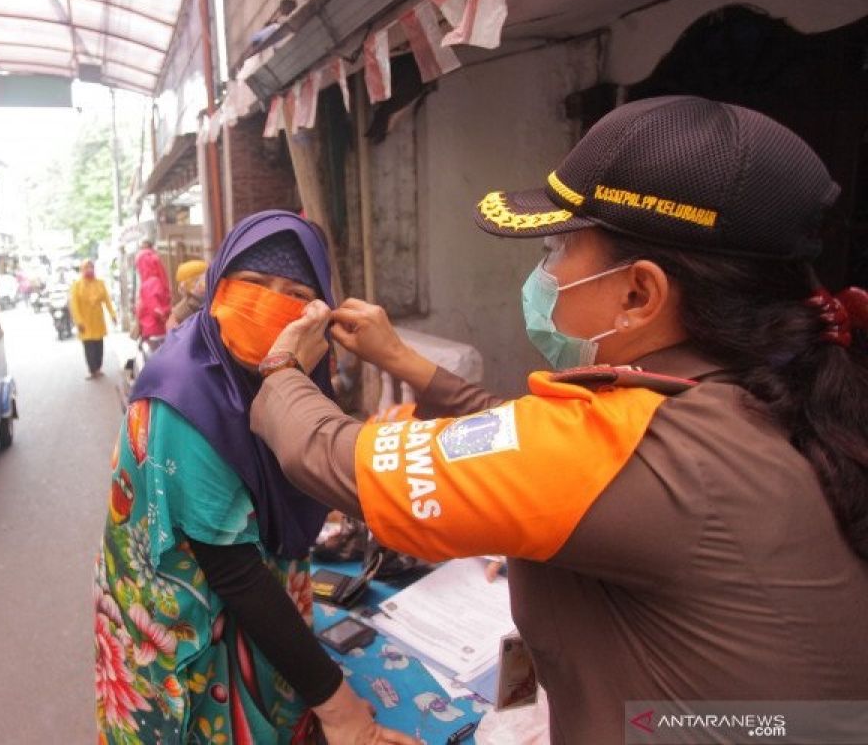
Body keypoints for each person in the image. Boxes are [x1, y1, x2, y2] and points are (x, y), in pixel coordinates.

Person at [248, 97, 868, 743]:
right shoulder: (763, 393)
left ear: (639, 295)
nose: (543, 272)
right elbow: (518, 438)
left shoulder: (644, 442)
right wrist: (401, 359)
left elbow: (334, 457)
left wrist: (281, 371)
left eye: (558, 246)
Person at [93, 211, 417, 745]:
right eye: (253, 284)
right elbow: (234, 571)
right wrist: (341, 710)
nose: (270, 303)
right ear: (218, 285)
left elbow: (304, 457)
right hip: (188, 640)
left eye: (294, 291)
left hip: (258, 621)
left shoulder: (288, 371)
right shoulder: (184, 397)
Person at [70, 260, 117, 379]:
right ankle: (92, 370)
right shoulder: (77, 285)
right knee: (89, 348)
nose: (89, 270)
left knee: (99, 347)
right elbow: (74, 305)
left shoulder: (100, 283)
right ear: (82, 269)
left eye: (91, 267)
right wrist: (78, 321)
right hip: (85, 323)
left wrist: (112, 315)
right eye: (86, 267)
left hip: (98, 322)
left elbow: (107, 300)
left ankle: (98, 368)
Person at [134, 242, 171, 341]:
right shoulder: (159, 280)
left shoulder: (149, 283)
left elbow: (154, 309)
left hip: (151, 328)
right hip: (159, 329)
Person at [166, 259, 207, 331]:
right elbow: (172, 328)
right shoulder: (188, 305)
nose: (205, 283)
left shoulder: (203, 300)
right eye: (199, 280)